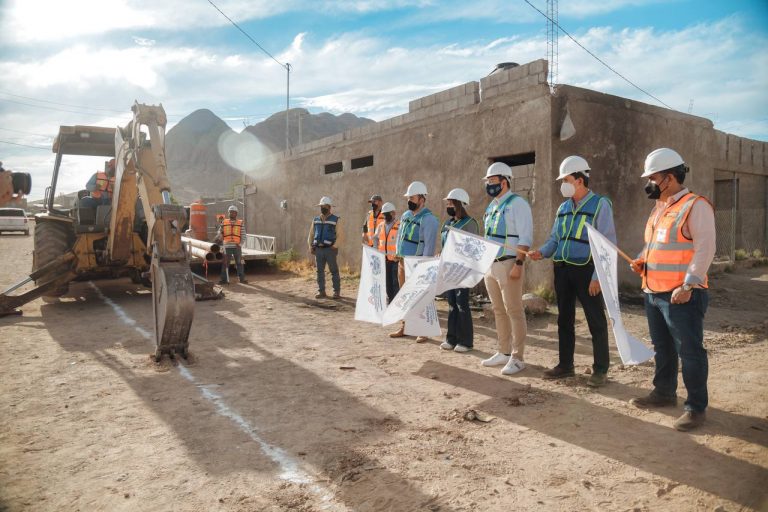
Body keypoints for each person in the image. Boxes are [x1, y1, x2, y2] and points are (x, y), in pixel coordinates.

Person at [628, 148, 716, 431]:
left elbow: (705, 249)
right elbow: (655, 245)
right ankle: (664, 393)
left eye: (652, 178)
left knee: (690, 351)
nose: (649, 183)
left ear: (668, 178)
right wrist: (643, 260)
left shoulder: (695, 205)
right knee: (663, 348)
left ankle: (695, 408)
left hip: (683, 294)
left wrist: (689, 284)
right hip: (653, 291)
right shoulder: (659, 210)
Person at [529, 156, 616, 387]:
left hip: (587, 271)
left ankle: (600, 370)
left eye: (566, 179)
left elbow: (607, 244)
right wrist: (542, 252)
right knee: (564, 320)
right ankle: (565, 365)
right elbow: (555, 238)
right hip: (563, 270)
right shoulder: (563, 207)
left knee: (595, 320)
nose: (562, 184)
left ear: (579, 180)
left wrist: (598, 276)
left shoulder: (600, 205)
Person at [481, 162, 533, 375]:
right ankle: (502, 351)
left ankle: (517, 357)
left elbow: (525, 236)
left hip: (509, 262)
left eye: (492, 181)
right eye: (488, 182)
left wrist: (519, 264)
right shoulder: (492, 206)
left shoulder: (518, 203)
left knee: (514, 310)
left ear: (505, 181)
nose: (490, 185)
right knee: (498, 310)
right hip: (491, 265)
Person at [389, 181, 439, 342]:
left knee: (420, 297)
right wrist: (397, 253)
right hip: (403, 262)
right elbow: (400, 237)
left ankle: (422, 330)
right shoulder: (405, 216)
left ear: (422, 199)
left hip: (417, 265)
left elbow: (429, 244)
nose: (409, 200)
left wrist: (424, 266)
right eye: (408, 197)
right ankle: (406, 326)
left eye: (412, 197)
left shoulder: (429, 219)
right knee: (404, 296)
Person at [438, 188, 480, 353]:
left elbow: (474, 248)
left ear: (460, 205)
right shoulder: (448, 223)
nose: (448, 206)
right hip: (448, 269)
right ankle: (451, 338)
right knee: (451, 304)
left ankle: (466, 342)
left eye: (451, 203)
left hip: (462, 270)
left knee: (462, 304)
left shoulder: (470, 223)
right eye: (447, 203)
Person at [308, 196, 344, 299]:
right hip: (318, 250)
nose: (322, 208)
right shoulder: (315, 220)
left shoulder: (336, 219)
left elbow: (340, 235)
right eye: (321, 206)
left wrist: (335, 246)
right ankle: (321, 291)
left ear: (329, 207)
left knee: (334, 271)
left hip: (330, 250)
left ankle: (336, 292)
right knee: (319, 271)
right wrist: (310, 246)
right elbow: (311, 234)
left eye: (324, 206)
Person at [375, 202, 400, 303]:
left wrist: (398, 254)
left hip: (395, 260)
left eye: (387, 214)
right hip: (384, 259)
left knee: (395, 282)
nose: (385, 216)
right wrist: (376, 250)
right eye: (384, 214)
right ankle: (390, 299)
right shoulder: (381, 226)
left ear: (393, 213)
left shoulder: (400, 225)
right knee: (387, 282)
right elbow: (375, 238)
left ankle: (396, 302)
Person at [216, 204, 247, 284]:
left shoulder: (240, 223)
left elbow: (243, 235)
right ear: (228, 213)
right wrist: (220, 233)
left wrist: (240, 244)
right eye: (230, 212)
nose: (232, 214)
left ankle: (242, 279)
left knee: (239, 263)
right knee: (225, 263)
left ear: (236, 213)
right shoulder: (224, 222)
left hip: (237, 246)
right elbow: (219, 233)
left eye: (234, 212)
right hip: (227, 246)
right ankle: (224, 279)